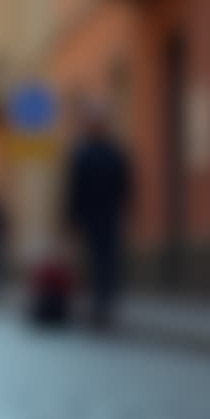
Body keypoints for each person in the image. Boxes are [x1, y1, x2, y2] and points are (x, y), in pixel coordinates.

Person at [64, 101, 131, 327]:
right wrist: (72, 217)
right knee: (97, 259)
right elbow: (74, 188)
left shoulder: (108, 153)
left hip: (105, 214)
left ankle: (104, 303)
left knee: (106, 259)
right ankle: (98, 304)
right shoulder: (88, 153)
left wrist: (125, 206)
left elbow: (125, 183)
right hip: (94, 215)